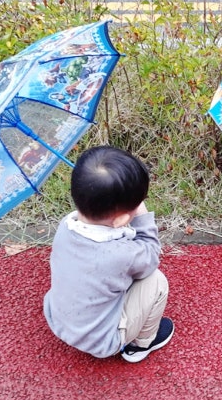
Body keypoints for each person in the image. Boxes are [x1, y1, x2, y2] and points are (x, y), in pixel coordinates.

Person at [43, 145, 173, 363]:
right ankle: (141, 344)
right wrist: (141, 215)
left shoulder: (66, 225)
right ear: (121, 219)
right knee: (156, 281)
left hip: (57, 319)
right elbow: (151, 254)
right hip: (102, 341)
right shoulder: (121, 254)